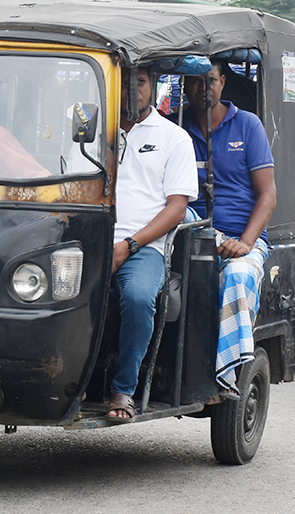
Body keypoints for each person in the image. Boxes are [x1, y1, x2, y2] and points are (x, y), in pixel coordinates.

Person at [180, 61, 277, 398]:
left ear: (222, 82)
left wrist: (246, 243)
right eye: (195, 81)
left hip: (242, 240)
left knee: (238, 275)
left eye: (210, 80)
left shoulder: (248, 125)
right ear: (184, 85)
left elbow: (268, 196)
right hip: (186, 234)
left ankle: (225, 374)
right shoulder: (174, 126)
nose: (203, 88)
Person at [106, 67, 198, 419]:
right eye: (124, 82)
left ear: (154, 85)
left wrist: (128, 245)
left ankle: (123, 389)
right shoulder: (96, 133)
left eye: (140, 82)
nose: (132, 90)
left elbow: (177, 208)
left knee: (139, 298)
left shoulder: (174, 138)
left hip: (144, 247)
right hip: (93, 241)